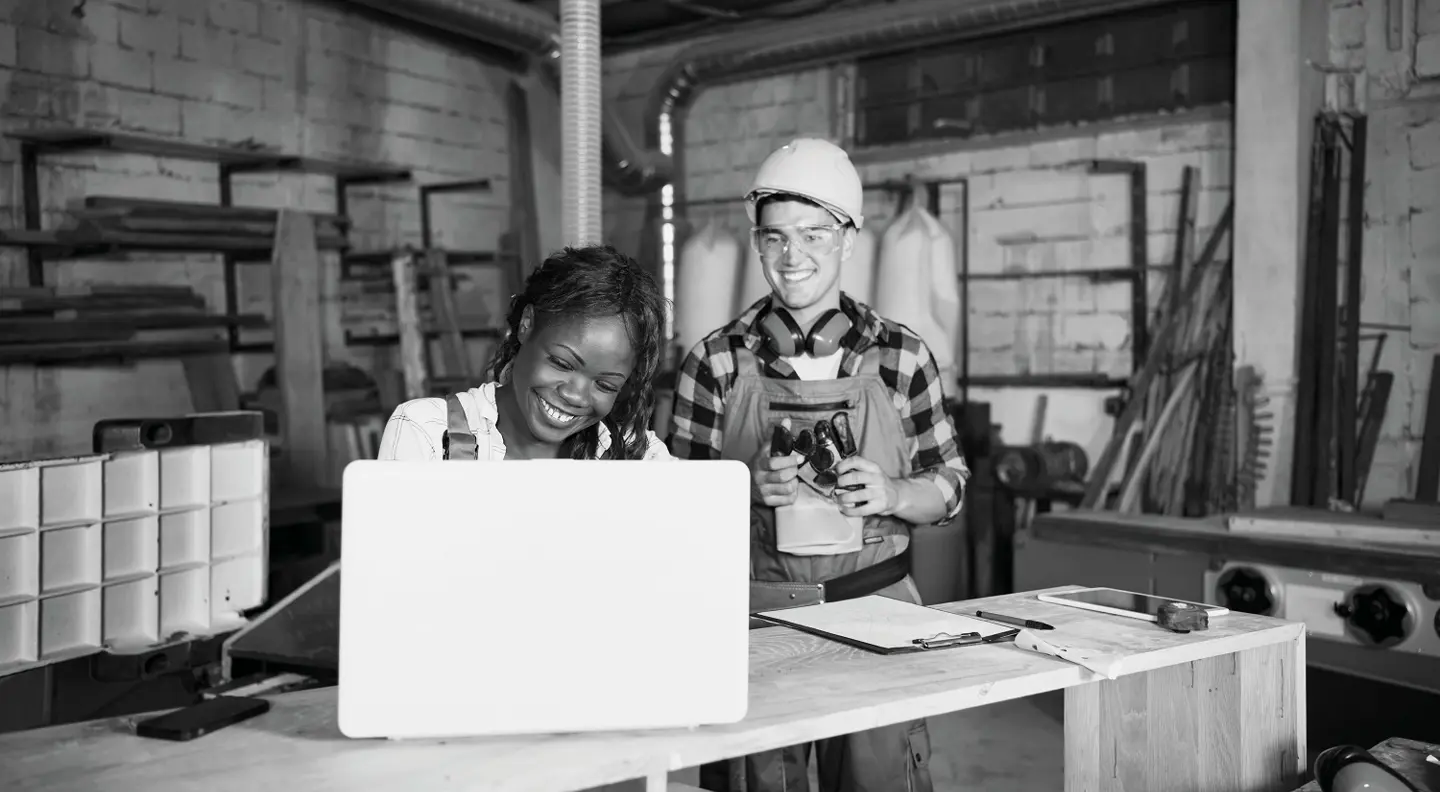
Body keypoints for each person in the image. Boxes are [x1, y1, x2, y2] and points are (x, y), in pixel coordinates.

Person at [669, 139, 970, 792]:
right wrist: (742, 486)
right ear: (756, 244)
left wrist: (892, 491)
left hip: (877, 615)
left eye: (813, 234)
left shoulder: (902, 358)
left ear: (849, 239)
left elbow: (951, 488)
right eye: (774, 238)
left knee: (880, 778)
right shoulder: (715, 363)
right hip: (755, 621)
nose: (792, 256)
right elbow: (675, 515)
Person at [377, 244, 673, 462]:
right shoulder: (428, 433)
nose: (576, 395)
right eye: (561, 363)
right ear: (526, 324)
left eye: (605, 385)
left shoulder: (636, 456)